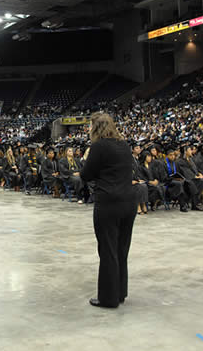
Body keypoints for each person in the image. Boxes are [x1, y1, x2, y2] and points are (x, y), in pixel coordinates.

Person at [80, 112, 134, 309]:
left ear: (95, 127)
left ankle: (108, 298)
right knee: (121, 248)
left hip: (109, 202)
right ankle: (120, 292)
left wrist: (87, 158)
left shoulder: (99, 146)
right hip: (129, 201)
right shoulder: (124, 145)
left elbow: (86, 175)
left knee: (108, 249)